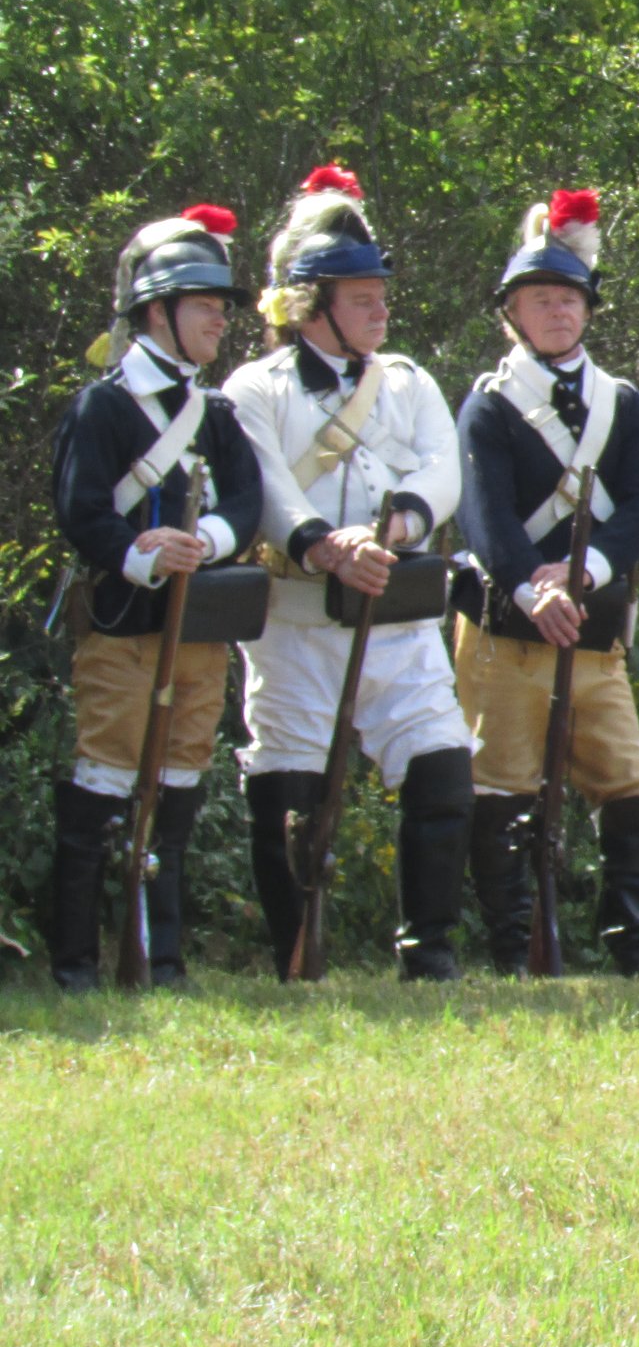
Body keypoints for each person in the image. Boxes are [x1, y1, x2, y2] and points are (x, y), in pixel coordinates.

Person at [224, 165, 476, 980]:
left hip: (397, 620)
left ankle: (427, 950)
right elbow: (266, 483)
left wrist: (399, 523)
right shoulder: (253, 390)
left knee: (441, 770)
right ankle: (297, 952)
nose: (380, 309)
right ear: (312, 304)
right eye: (361, 296)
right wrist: (326, 544)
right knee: (289, 790)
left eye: (380, 296)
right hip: (297, 620)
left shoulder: (405, 381)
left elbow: (445, 468)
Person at [453, 189, 639, 979]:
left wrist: (586, 573)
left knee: (631, 787)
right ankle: (515, 949)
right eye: (541, 299)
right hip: (508, 633)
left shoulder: (623, 405)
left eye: (569, 297)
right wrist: (527, 588)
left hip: (594, 629)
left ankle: (634, 950)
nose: (558, 311)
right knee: (503, 791)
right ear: (512, 312)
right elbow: (486, 519)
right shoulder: (488, 407)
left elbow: (638, 507)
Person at [46, 205, 264, 990]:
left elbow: (245, 499)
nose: (218, 321)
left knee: (178, 781)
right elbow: (81, 511)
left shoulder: (217, 413)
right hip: (125, 625)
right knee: (103, 779)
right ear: (157, 310)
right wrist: (141, 551)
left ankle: (161, 957)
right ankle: (75, 959)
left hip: (199, 629)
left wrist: (204, 537)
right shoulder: (102, 406)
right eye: (205, 305)